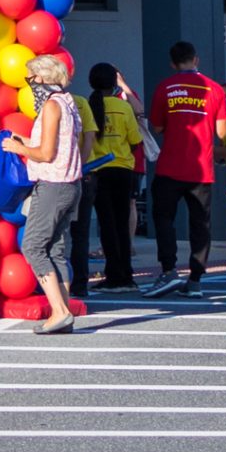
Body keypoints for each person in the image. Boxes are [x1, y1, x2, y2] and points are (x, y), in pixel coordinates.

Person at [0, 52, 88, 334]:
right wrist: (25, 141)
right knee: (57, 249)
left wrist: (19, 149)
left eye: (34, 76)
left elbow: (46, 153)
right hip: (70, 184)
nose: (30, 82)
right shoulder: (70, 102)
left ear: (45, 77)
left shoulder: (51, 106)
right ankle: (63, 311)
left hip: (53, 184)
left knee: (33, 246)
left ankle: (60, 312)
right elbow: (60, 144)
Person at [143, 41, 226, 296]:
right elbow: (221, 131)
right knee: (200, 224)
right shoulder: (214, 89)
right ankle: (196, 280)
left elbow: (156, 127)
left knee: (164, 219)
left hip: (170, 166)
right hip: (201, 169)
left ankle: (169, 271)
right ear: (196, 59)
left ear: (172, 63)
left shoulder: (165, 87)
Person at [80, 62, 145, 292]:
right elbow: (135, 139)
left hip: (98, 170)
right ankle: (126, 275)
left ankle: (114, 275)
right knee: (121, 224)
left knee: (106, 225)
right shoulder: (122, 107)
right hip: (123, 169)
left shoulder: (87, 106)